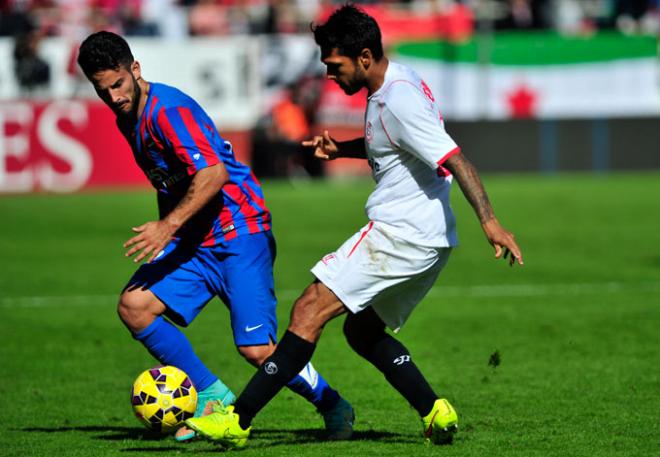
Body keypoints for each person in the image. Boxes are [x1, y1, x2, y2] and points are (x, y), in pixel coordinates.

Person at [186, 4, 523, 448]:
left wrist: (492, 222)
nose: (329, 74)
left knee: (308, 309)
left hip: (399, 233)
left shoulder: (397, 99)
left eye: (335, 64)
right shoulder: (396, 80)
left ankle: (236, 421)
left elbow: (454, 158)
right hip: (431, 241)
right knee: (362, 331)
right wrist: (341, 149)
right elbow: (393, 143)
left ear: (364, 57)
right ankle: (435, 410)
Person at [76, 31, 354, 442]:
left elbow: (213, 174)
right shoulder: (127, 118)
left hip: (239, 231)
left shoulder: (168, 110)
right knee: (135, 306)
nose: (114, 96)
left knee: (258, 350)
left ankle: (333, 405)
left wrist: (166, 227)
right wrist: (171, 234)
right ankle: (211, 393)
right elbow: (167, 181)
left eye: (118, 84)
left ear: (135, 69)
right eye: (103, 90)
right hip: (195, 242)